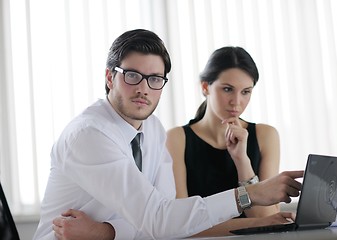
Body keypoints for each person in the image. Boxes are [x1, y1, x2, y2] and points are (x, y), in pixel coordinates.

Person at [33, 29, 303, 240]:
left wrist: (105, 232)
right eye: (131, 76)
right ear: (108, 77)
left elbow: (165, 219)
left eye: (154, 79)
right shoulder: (89, 136)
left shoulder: (152, 129)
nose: (143, 89)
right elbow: (159, 220)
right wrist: (249, 194)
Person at [166, 46, 284, 237]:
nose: (236, 101)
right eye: (228, 89)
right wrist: (257, 223)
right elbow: (181, 225)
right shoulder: (176, 139)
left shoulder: (266, 135)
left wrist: (241, 160)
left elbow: (266, 218)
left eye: (246, 92)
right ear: (205, 87)